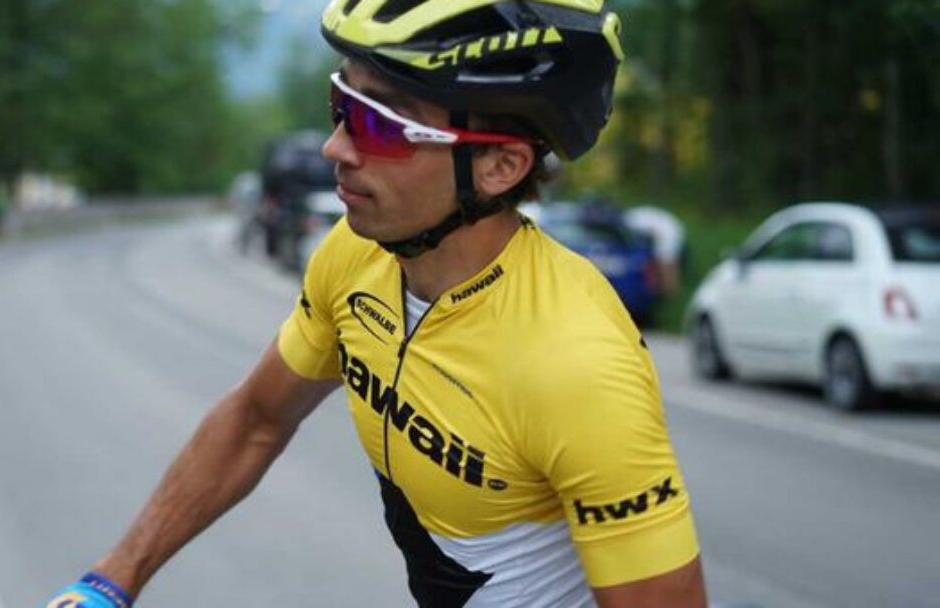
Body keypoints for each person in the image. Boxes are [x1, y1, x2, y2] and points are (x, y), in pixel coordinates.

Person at [47, 0, 705, 606]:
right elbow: (256, 421)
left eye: (378, 123)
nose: (335, 146)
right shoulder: (356, 253)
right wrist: (111, 581)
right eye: (342, 103)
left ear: (499, 167)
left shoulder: (577, 366)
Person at [625, 205, 687, 294]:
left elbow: (667, 269)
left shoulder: (668, 238)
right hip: (643, 226)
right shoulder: (669, 238)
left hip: (657, 228)